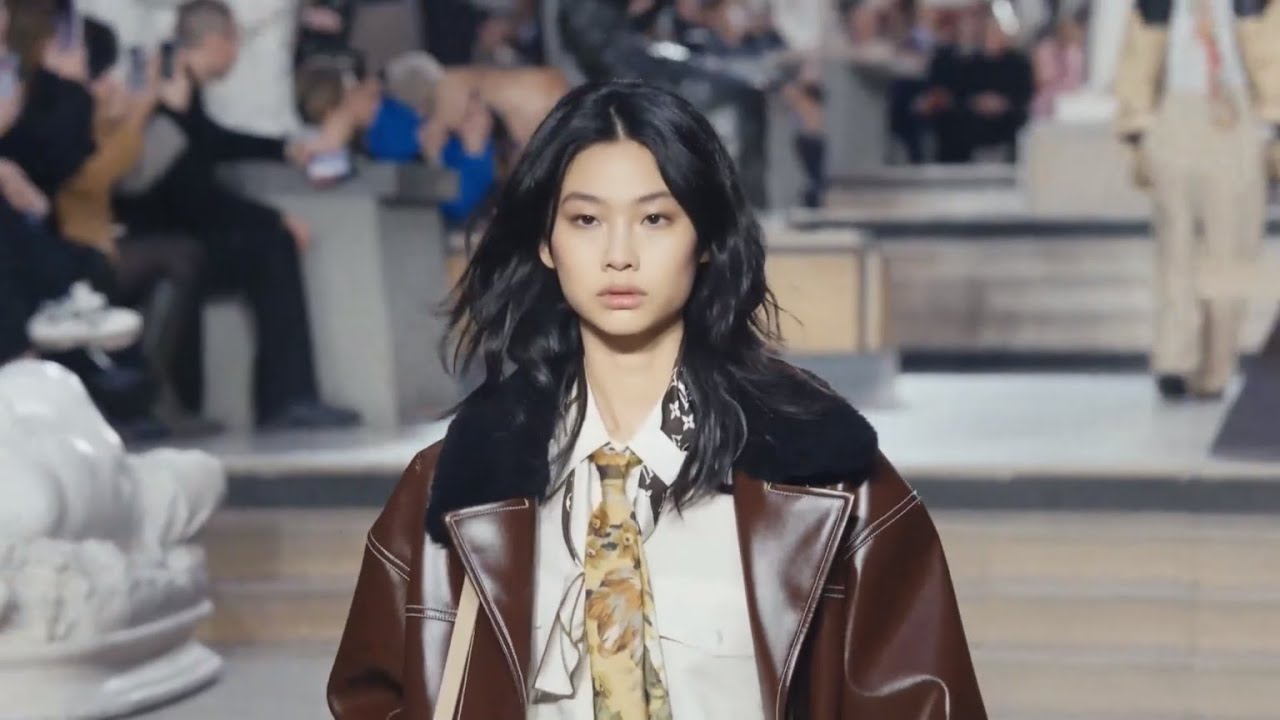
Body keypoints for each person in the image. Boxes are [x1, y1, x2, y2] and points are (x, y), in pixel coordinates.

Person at [327, 80, 986, 719]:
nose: (620, 254)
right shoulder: (453, 490)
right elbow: (373, 694)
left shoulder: (832, 487)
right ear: (545, 243)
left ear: (704, 239)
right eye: (586, 219)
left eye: (654, 218)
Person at [113, 0, 359, 430]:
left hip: (182, 229)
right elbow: (188, 192)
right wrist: (272, 218)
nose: (237, 52)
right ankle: (285, 398)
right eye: (234, 41)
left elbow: (213, 141)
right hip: (161, 236)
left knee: (269, 249)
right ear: (217, 41)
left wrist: (284, 149)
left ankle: (288, 399)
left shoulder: (186, 92)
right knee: (272, 243)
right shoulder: (165, 95)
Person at [1116, 0, 1279, 401]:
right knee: (1175, 248)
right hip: (1175, 112)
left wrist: (1272, 127)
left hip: (1238, 115)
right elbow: (1136, 59)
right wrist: (1139, 128)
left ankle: (1215, 369)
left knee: (1231, 252)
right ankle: (1173, 360)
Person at [927, 6, 1033, 163]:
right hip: (974, 113)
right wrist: (977, 102)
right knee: (953, 120)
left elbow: (1024, 92)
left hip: (1008, 113)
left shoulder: (1018, 63)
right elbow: (963, 90)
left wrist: (1003, 103)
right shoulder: (972, 62)